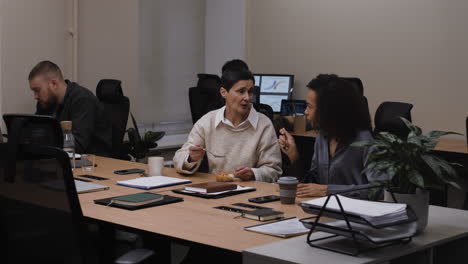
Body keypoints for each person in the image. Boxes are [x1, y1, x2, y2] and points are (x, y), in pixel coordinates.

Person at [279, 74, 381, 198]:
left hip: (356, 214)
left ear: (328, 110)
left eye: (310, 106)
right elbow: (313, 184)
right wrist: (294, 156)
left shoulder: (365, 141)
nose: (305, 111)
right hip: (324, 209)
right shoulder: (322, 137)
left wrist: (329, 190)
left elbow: (380, 189)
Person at [174, 68, 282, 182]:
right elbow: (179, 158)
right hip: (216, 190)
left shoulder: (264, 124)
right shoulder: (207, 121)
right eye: (241, 91)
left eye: (250, 92)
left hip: (251, 192)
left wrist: (253, 173)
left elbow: (274, 170)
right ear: (223, 92)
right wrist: (191, 158)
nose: (247, 97)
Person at [29, 60, 112, 156]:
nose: (35, 96)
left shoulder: (83, 100)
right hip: (61, 160)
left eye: (37, 90)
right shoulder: (45, 102)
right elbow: (36, 133)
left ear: (54, 84)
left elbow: (76, 145)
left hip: (95, 162)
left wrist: (43, 139)